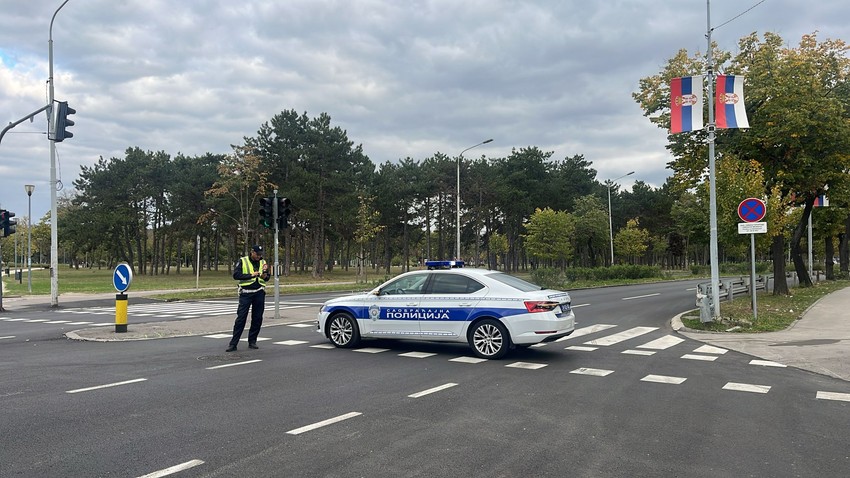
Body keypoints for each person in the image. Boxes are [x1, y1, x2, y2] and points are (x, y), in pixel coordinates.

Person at [226, 245, 270, 352]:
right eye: (257, 254)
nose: (259, 256)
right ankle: (233, 343)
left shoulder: (263, 262)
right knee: (241, 318)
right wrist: (251, 275)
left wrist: (264, 275)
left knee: (257, 318)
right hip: (246, 293)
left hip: (259, 292)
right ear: (252, 252)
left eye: (260, 255)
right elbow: (236, 275)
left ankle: (252, 341)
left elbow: (267, 277)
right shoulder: (243, 261)